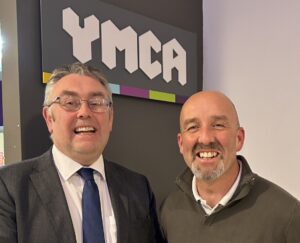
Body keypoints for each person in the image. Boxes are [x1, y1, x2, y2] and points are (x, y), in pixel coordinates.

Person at [0, 62, 163, 243]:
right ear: (49, 118)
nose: (84, 112)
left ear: (110, 118)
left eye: (96, 103)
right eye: (70, 103)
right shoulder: (10, 186)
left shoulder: (138, 187)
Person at [160, 91, 300, 243]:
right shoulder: (169, 210)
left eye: (218, 125)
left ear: (239, 138)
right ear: (181, 143)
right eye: (193, 127)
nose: (206, 138)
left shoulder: (287, 215)